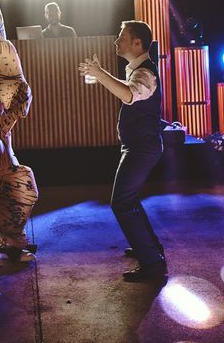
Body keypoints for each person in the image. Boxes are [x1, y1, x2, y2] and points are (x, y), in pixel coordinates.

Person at [78, 20, 167, 283]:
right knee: (130, 201)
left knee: (121, 203)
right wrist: (100, 75)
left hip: (142, 149)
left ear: (137, 43)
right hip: (138, 147)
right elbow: (126, 90)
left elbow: (129, 95)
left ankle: (152, 262)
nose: (117, 41)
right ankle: (150, 249)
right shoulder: (138, 69)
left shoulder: (146, 73)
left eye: (122, 36)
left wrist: (101, 73)